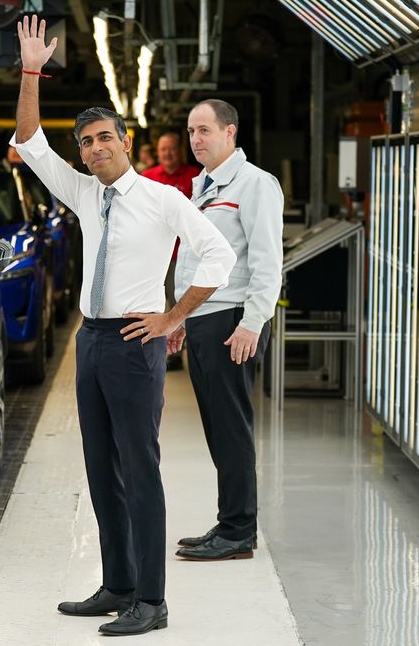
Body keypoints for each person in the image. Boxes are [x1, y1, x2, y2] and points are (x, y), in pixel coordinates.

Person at [11, 16, 235, 636]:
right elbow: (28, 140)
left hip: (137, 346)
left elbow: (220, 256)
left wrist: (173, 316)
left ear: (126, 140)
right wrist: (30, 71)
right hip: (91, 341)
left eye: (105, 138)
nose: (95, 149)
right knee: (99, 466)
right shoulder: (84, 194)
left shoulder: (163, 199)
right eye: (86, 142)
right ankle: (117, 584)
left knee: (139, 469)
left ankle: (153, 601)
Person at [169, 99, 284, 562]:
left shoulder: (255, 184)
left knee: (232, 427)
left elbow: (267, 262)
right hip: (202, 320)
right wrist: (178, 316)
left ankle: (238, 532)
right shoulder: (203, 186)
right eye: (191, 132)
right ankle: (230, 520)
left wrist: (252, 323)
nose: (196, 140)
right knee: (218, 428)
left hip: (231, 320)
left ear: (230, 132)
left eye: (205, 131)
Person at [142, 132, 201, 369]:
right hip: (155, 255)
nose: (168, 154)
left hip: (185, 255)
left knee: (181, 303)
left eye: (172, 149)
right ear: (158, 152)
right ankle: (158, 348)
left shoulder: (194, 177)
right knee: (158, 303)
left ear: (180, 151)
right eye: (163, 149)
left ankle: (177, 352)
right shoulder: (147, 177)